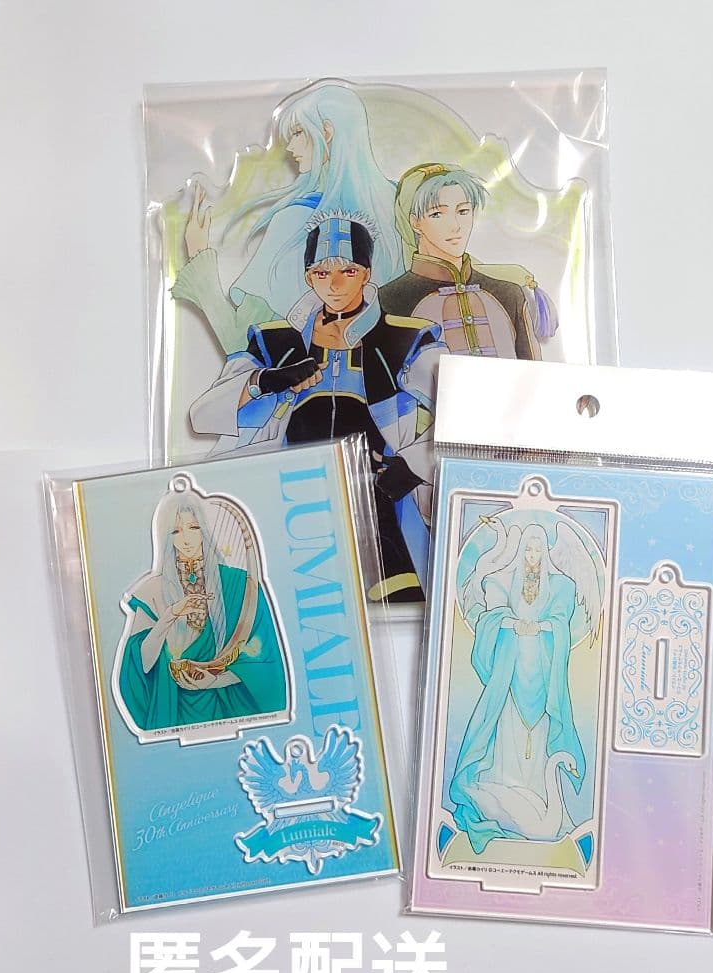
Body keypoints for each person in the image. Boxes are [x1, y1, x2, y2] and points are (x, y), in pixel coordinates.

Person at [189, 210, 447, 602]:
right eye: (322, 273)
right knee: (291, 601)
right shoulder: (275, 342)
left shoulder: (405, 339)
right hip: (294, 501)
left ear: (366, 273)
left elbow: (463, 415)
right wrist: (265, 380)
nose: (335, 284)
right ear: (309, 277)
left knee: (398, 599)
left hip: (378, 502)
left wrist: (412, 466)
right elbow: (203, 414)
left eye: (348, 271)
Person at [171, 81, 403, 357]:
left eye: (298, 132)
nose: (291, 147)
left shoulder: (293, 221)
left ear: (327, 132)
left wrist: (198, 256)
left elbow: (240, 342)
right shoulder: (400, 207)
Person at [449, 521, 591, 854]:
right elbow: (491, 616)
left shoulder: (561, 586)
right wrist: (511, 622)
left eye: (538, 548)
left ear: (545, 552)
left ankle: (538, 801)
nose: (532, 554)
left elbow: (561, 622)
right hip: (510, 674)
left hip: (542, 676)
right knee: (505, 734)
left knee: (538, 740)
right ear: (521, 549)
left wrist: (541, 626)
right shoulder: (503, 580)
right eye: (528, 548)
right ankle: (504, 799)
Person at [116, 486, 289, 731]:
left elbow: (264, 658)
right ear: (166, 538)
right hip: (174, 710)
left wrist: (216, 680)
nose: (186, 539)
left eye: (193, 527)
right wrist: (170, 615)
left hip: (228, 706)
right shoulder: (151, 590)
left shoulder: (239, 584)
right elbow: (140, 664)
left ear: (204, 530)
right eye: (176, 531)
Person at [379, 163, 558, 359]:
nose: (455, 225)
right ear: (415, 222)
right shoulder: (388, 301)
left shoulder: (510, 295)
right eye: (437, 214)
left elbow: (532, 370)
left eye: (463, 211)